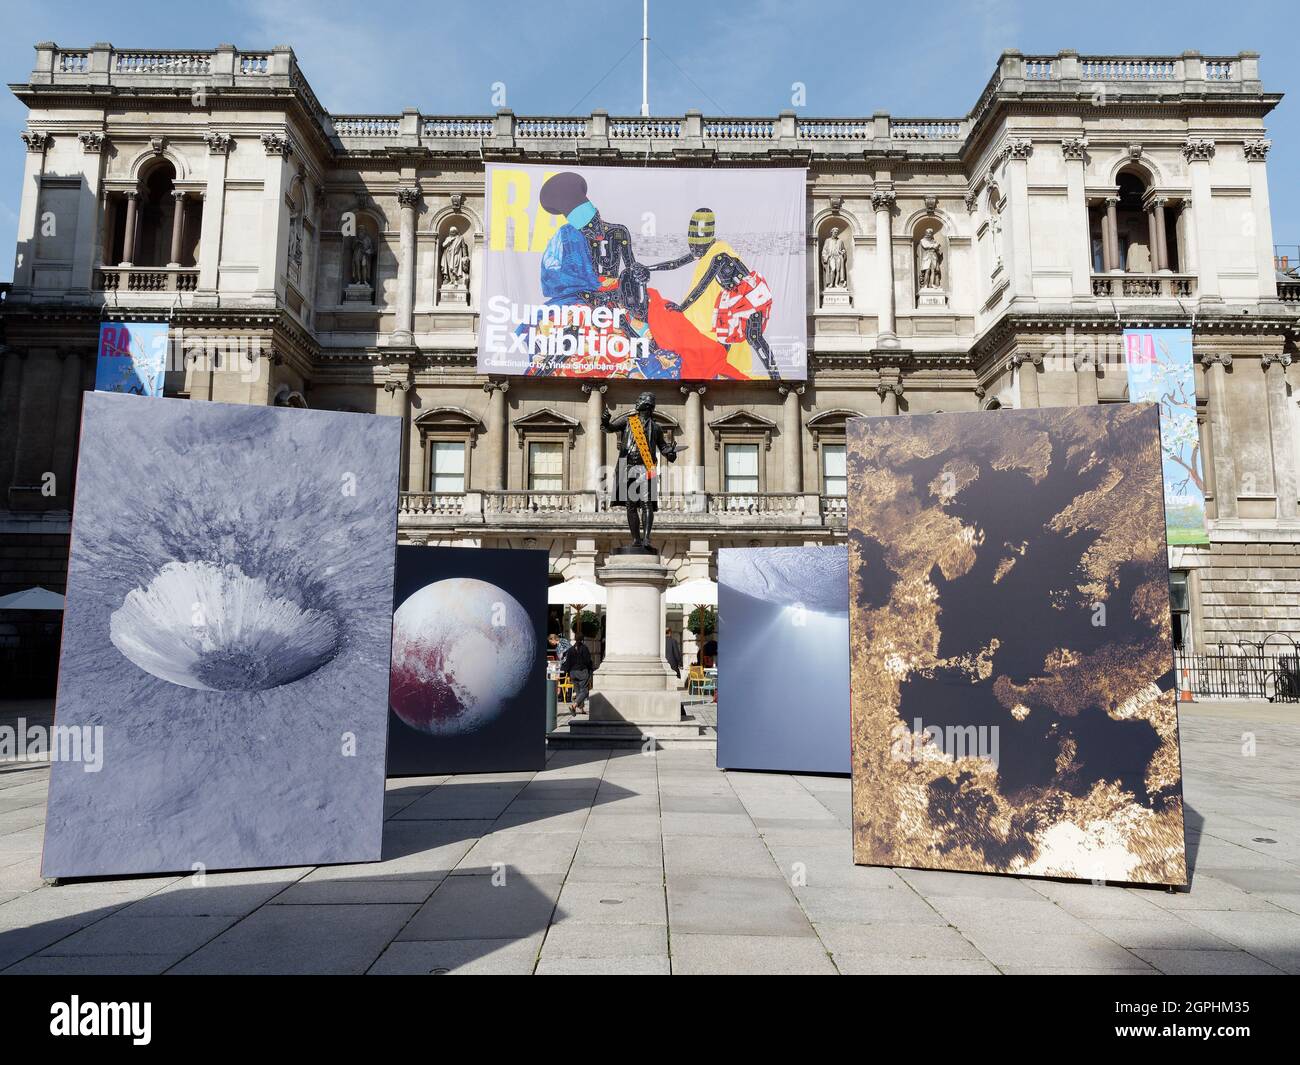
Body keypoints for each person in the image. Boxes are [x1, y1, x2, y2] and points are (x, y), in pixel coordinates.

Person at [562, 626, 594, 714]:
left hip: (572, 673)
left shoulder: (570, 650)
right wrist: (590, 669)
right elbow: (588, 661)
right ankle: (574, 706)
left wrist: (567, 672)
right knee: (585, 691)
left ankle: (581, 709)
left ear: (575, 639)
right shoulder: (584, 648)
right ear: (582, 639)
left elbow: (567, 662)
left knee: (578, 691)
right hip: (582, 672)